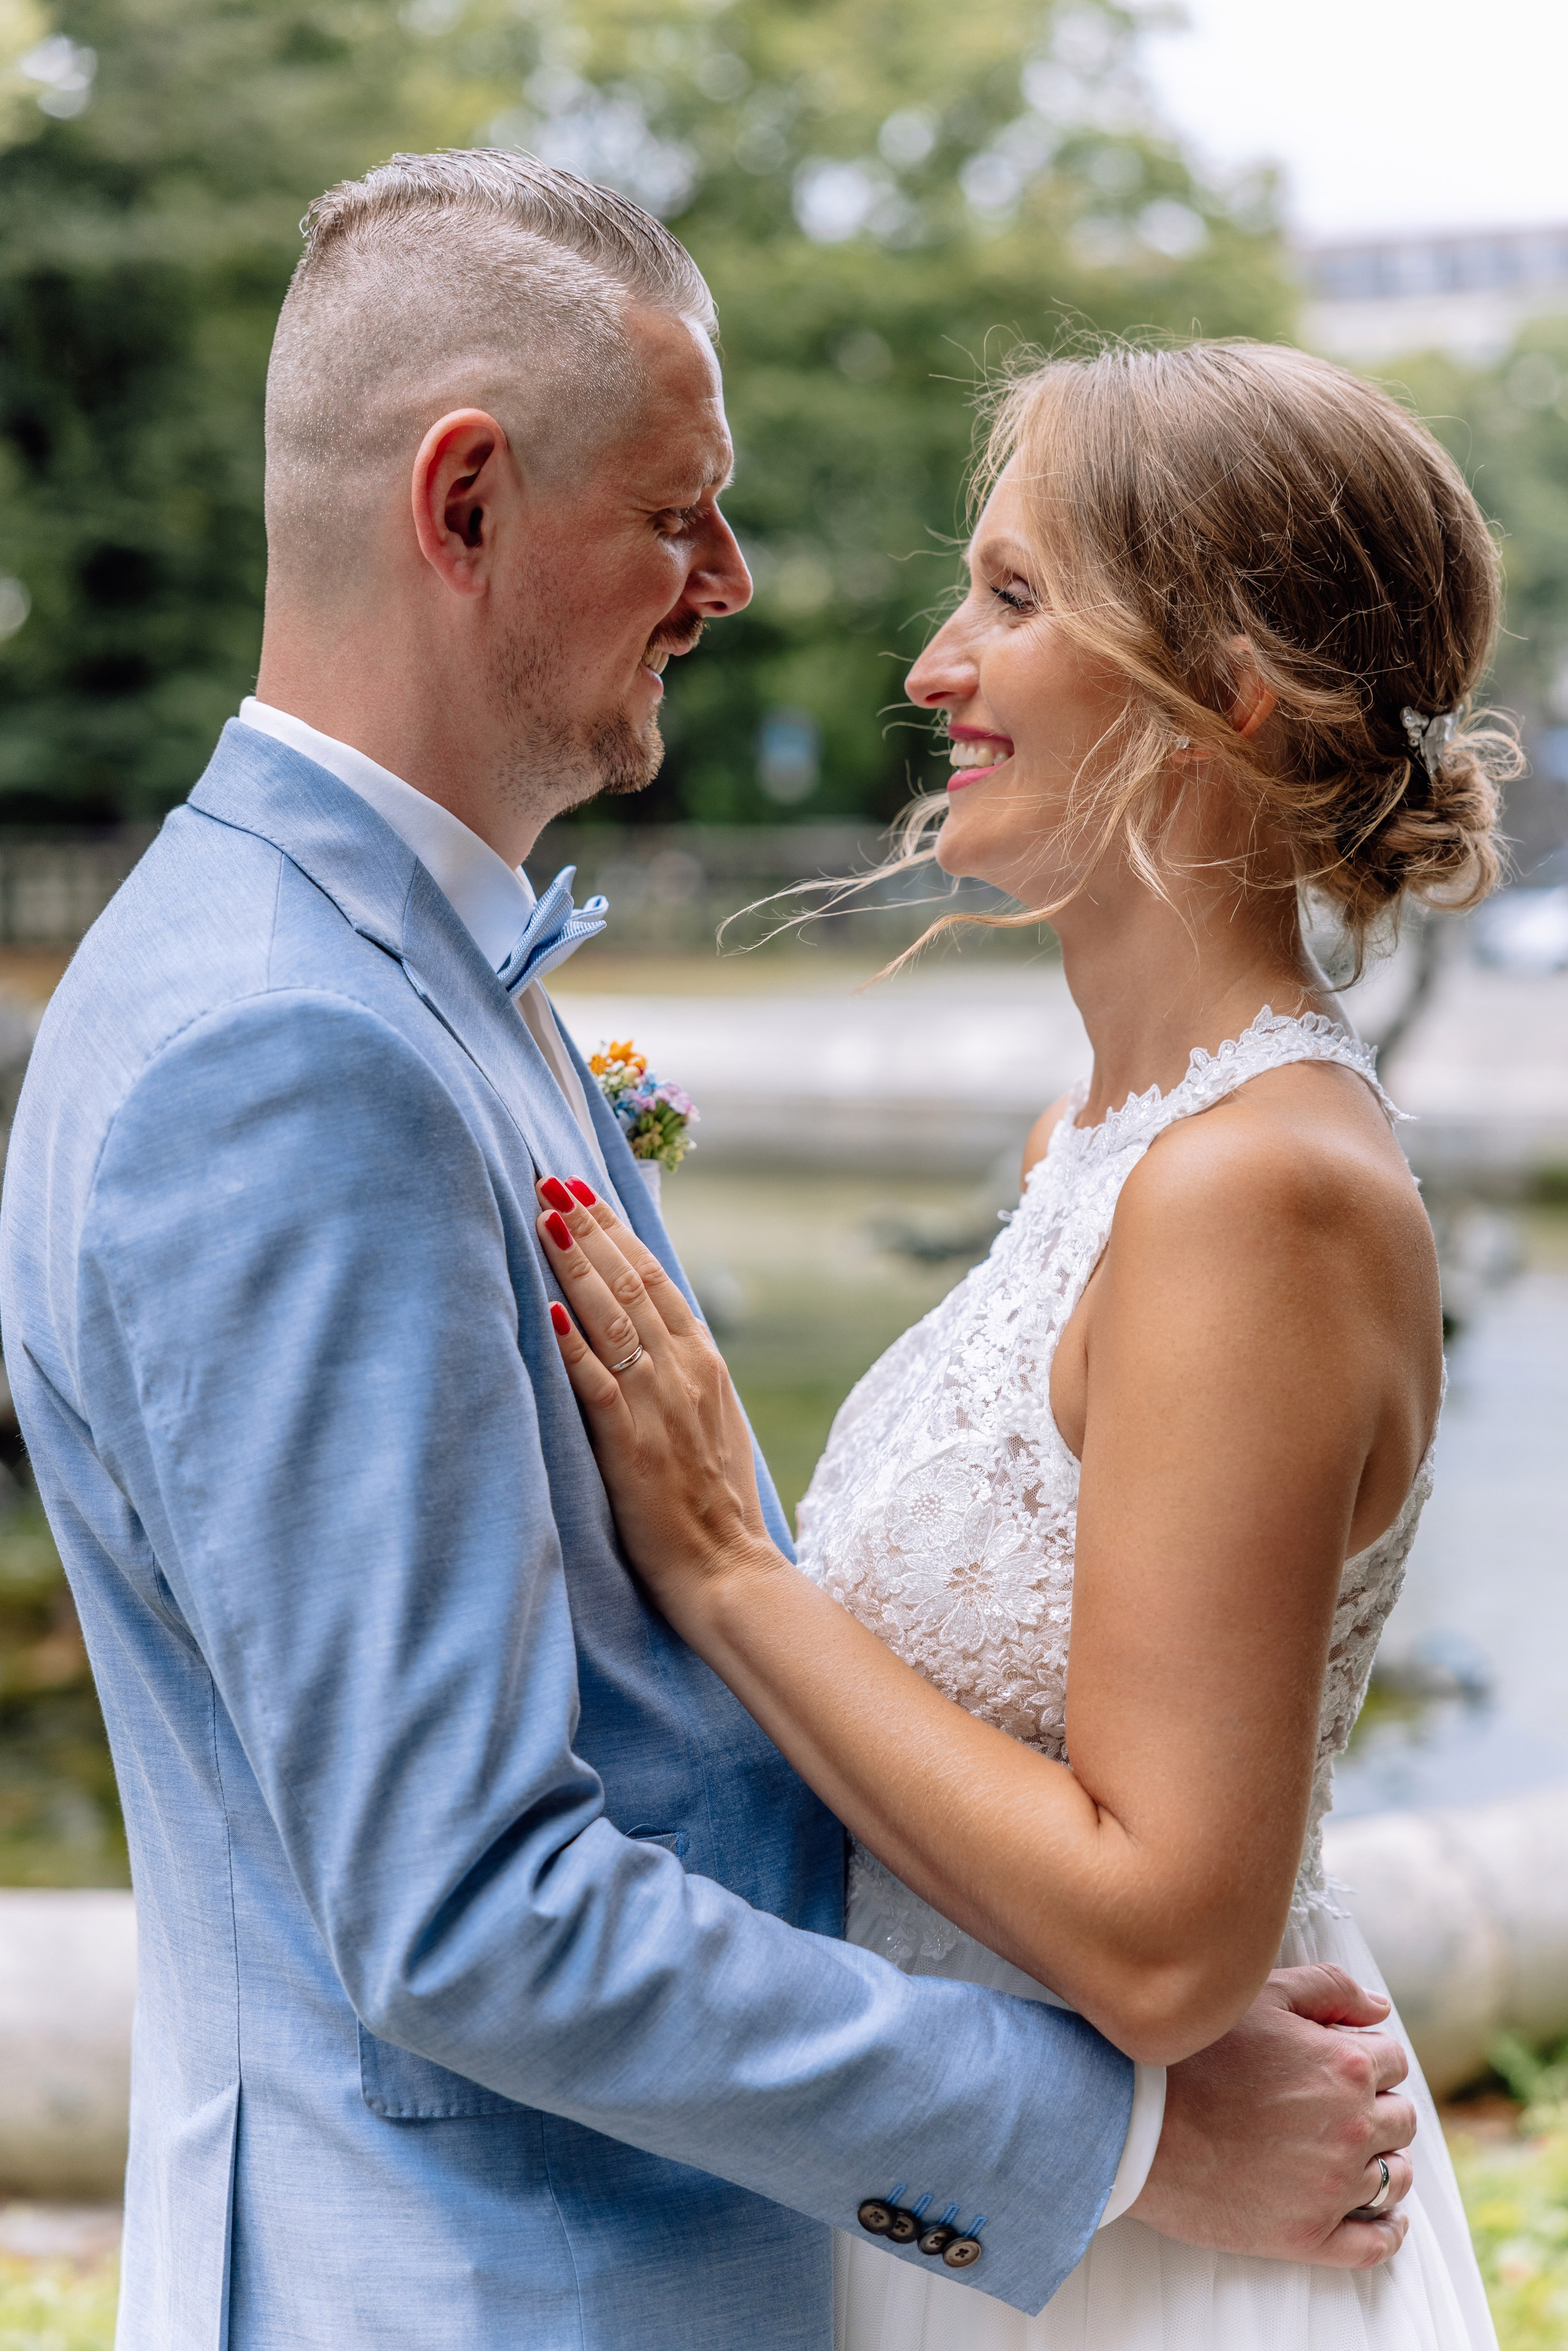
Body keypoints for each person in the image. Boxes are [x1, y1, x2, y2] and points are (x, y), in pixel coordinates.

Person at [0, 158, 1415, 2351]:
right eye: (680, 514)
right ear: (465, 504)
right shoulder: (292, 1048)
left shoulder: (390, 977)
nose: (737, 584)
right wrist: (1122, 2139)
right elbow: (466, 1913)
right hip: (503, 2289)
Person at [533, 340, 1512, 2348]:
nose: (933, 668)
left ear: (1229, 685)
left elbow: (1165, 1944)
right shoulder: (1092, 1143)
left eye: (1011, 596)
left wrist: (723, 1565)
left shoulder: (1257, 1192)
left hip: (1158, 2271)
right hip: (994, 2218)